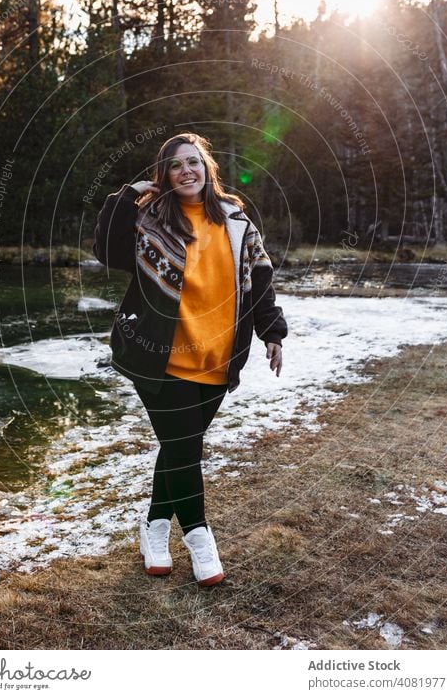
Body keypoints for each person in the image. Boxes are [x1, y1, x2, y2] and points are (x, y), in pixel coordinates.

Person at [92, 132, 288, 586]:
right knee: (185, 450)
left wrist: (272, 332)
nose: (186, 171)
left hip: (218, 360)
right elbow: (106, 251)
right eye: (176, 165)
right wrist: (127, 196)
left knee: (179, 449)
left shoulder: (238, 221)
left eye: (193, 162)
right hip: (157, 359)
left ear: (207, 168)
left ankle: (154, 527)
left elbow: (260, 280)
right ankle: (199, 538)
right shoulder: (150, 223)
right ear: (164, 175)